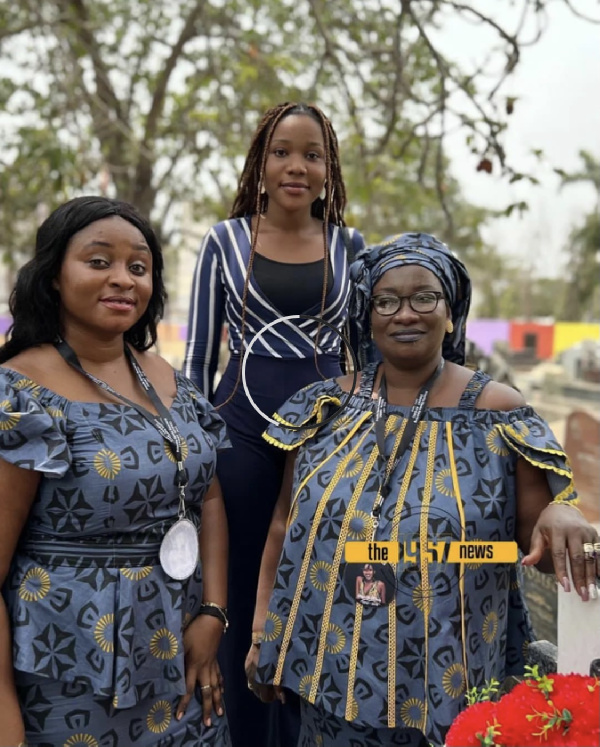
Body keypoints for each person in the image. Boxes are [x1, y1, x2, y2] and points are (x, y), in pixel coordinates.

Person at [245, 232, 600, 747]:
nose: (404, 313)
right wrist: (262, 629)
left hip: (453, 686)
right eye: (386, 301)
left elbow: (538, 542)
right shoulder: (321, 408)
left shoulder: (497, 413)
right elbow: (283, 522)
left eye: (424, 297)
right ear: (367, 317)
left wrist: (563, 514)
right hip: (331, 676)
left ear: (451, 311)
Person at [0, 197, 231, 746]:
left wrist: (213, 613)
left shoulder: (168, 379)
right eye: (99, 261)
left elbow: (210, 501)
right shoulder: (20, 393)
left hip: (183, 662)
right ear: (54, 275)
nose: (123, 279)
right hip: (67, 679)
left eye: (138, 266)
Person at [183, 101, 365, 746]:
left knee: (315, 585)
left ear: (328, 169)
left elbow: (363, 361)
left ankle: (306, 729)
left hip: (327, 442)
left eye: (312, 154)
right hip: (240, 435)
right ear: (260, 164)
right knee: (234, 591)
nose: (297, 165)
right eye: (281, 151)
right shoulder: (225, 240)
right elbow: (199, 357)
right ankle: (236, 731)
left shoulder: (351, 247)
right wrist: (193, 446)